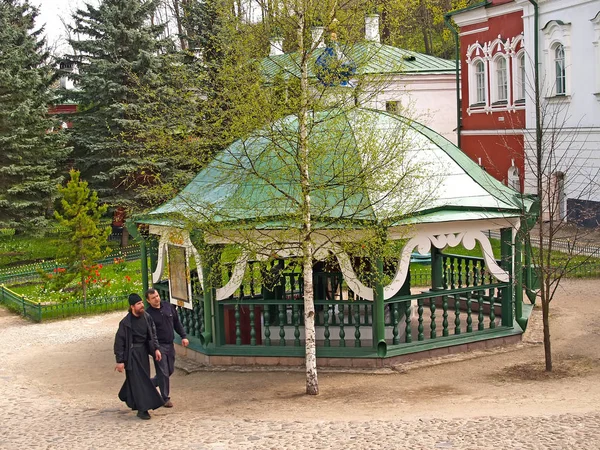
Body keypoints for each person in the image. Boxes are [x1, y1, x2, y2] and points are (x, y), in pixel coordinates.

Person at [114, 293, 165, 420]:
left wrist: (156, 349)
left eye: (142, 302)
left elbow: (152, 334)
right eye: (138, 304)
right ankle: (143, 410)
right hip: (132, 355)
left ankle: (127, 395)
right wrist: (120, 361)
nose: (142, 305)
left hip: (143, 352)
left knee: (142, 379)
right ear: (132, 307)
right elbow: (119, 342)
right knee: (140, 382)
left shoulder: (146, 317)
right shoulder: (126, 323)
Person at [145, 288, 189, 408]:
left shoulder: (168, 307)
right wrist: (155, 348)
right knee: (163, 372)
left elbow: (176, 323)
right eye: (153, 298)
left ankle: (148, 385)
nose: (157, 299)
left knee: (169, 370)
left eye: (157, 296)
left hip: (170, 344)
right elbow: (149, 334)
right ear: (148, 300)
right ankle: (165, 398)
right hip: (159, 346)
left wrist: (183, 336)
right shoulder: (148, 315)